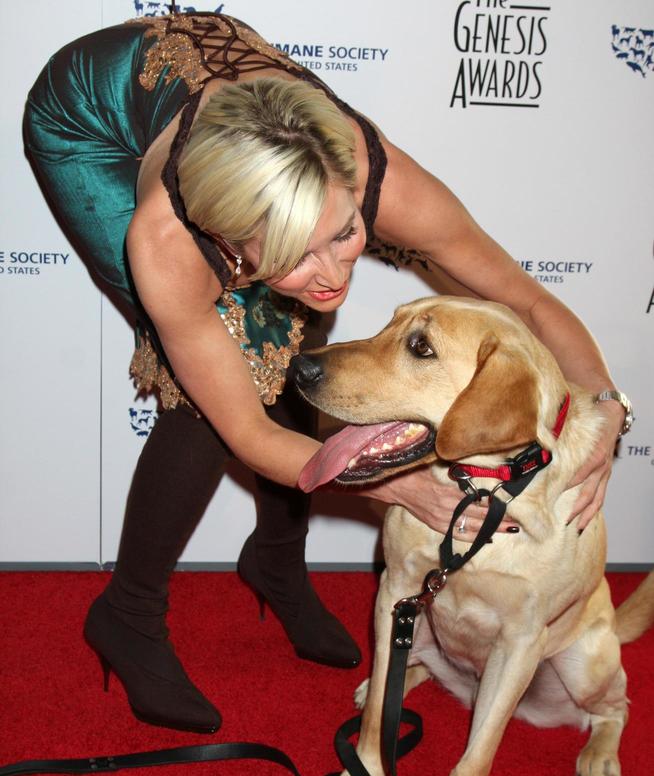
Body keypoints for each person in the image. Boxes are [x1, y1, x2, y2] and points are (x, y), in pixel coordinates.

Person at [23, 11, 630, 735]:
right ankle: (127, 613)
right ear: (230, 248)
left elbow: (523, 298)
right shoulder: (169, 242)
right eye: (296, 257)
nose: (336, 274)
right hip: (86, 123)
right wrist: (387, 479)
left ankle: (275, 564)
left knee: (297, 344)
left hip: (226, 103)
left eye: (345, 235)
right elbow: (246, 430)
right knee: (209, 393)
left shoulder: (375, 172)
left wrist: (605, 404)